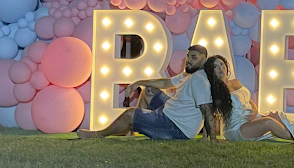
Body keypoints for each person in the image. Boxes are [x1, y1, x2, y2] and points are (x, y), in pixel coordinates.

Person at [77, 45, 218, 141]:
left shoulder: (199, 80)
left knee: (130, 114)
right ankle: (135, 128)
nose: (189, 60)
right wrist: (139, 83)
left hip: (175, 126)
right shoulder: (190, 74)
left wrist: (212, 139)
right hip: (171, 112)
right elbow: (165, 83)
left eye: (194, 57)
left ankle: (99, 134)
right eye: (188, 56)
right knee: (149, 90)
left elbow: (207, 110)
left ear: (205, 60)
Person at [204, 55, 294, 144]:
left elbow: (248, 100)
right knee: (269, 122)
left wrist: (254, 111)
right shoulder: (215, 90)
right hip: (236, 127)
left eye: (221, 64)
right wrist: (212, 137)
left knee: (276, 114)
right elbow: (211, 114)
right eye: (216, 66)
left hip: (251, 118)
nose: (221, 68)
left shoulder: (235, 82)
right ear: (211, 71)